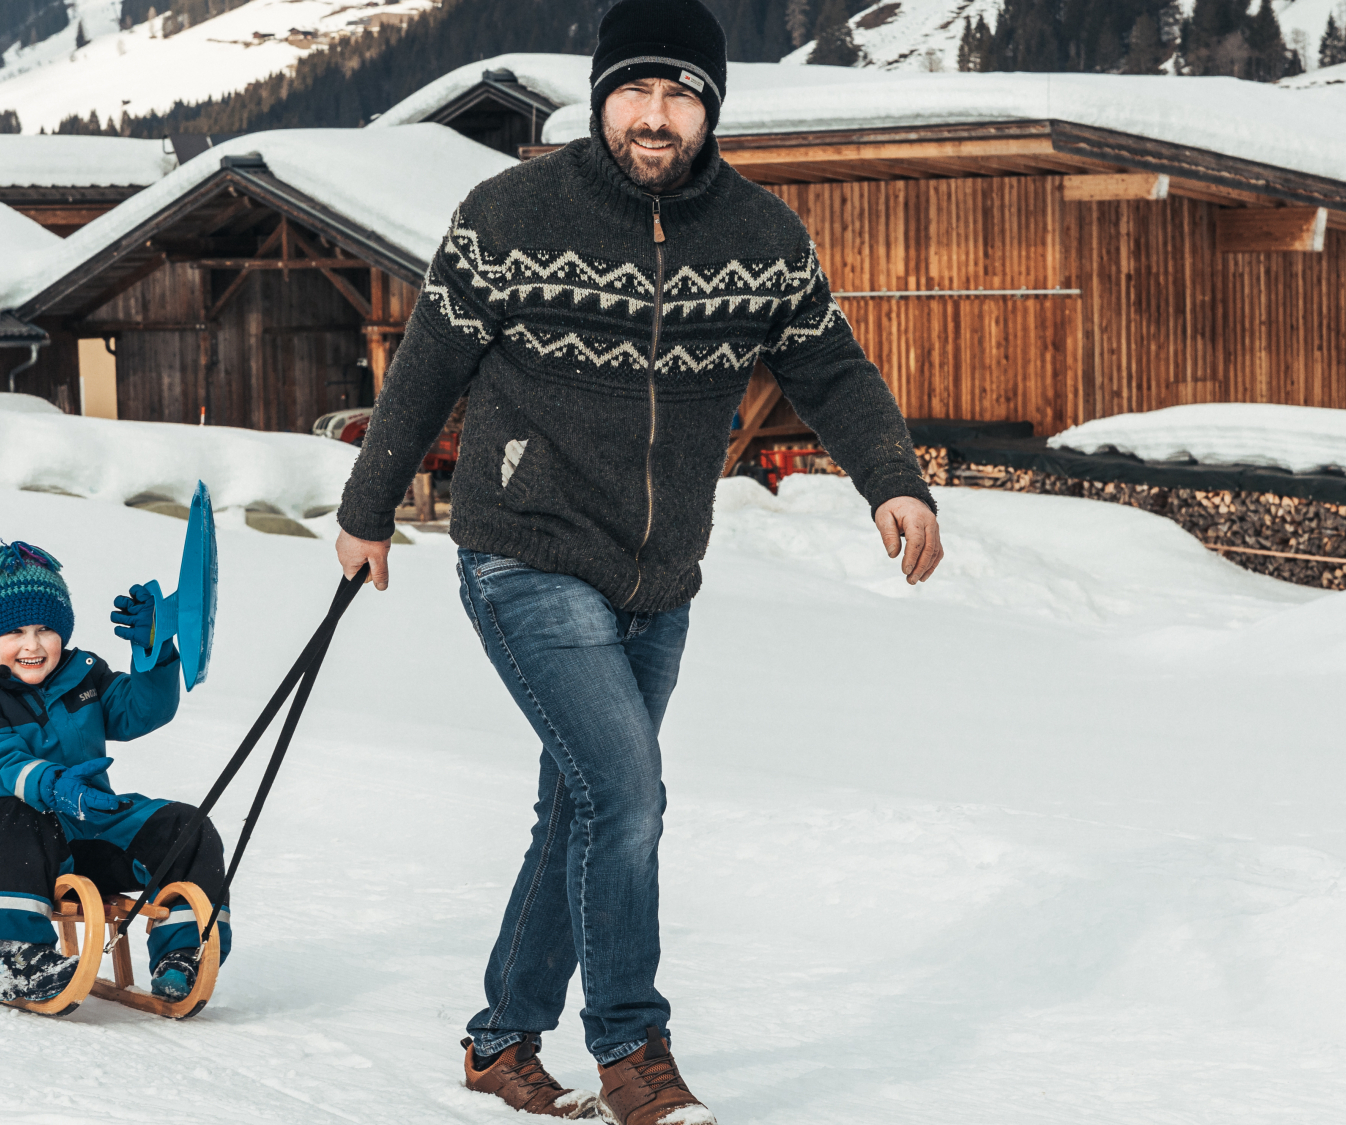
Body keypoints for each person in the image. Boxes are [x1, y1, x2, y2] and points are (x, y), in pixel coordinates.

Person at [335, 0, 943, 1117]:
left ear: (709, 109)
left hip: (658, 574)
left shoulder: (759, 236)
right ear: (600, 97)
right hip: (524, 550)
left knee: (583, 808)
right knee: (627, 793)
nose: (654, 117)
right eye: (635, 92)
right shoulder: (509, 214)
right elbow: (425, 367)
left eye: (679, 96)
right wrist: (367, 507)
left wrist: (892, 481)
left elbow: (832, 371)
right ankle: (631, 1051)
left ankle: (499, 1038)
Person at [0, 540, 232, 1004]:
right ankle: (19, 958)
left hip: (93, 829)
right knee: (16, 813)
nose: (32, 645)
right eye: (14, 632)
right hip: (20, 847)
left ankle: (182, 954)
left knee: (186, 827)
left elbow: (141, 711)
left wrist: (153, 653)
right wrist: (52, 785)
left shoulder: (85, 679)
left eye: (44, 629)